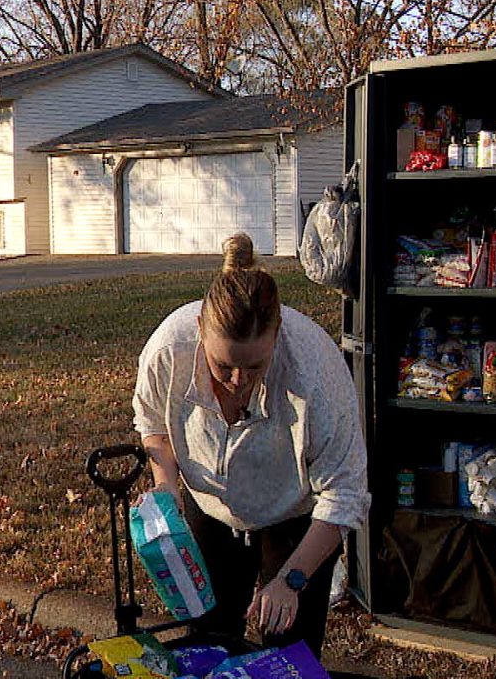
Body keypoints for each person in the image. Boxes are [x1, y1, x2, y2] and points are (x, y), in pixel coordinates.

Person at [133, 234, 368, 656]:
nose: (239, 380)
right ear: (200, 329)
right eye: (223, 365)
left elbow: (345, 492)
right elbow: (151, 420)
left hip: (295, 513)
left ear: (277, 334)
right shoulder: (168, 349)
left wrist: (292, 580)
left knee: (286, 650)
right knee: (207, 638)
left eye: (255, 365)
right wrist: (166, 484)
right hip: (209, 505)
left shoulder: (316, 371)